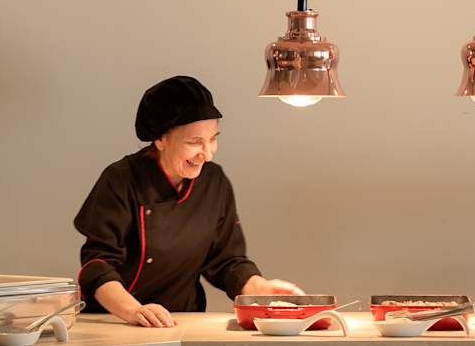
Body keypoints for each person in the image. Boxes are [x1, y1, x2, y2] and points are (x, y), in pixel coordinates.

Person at [74, 75, 304, 327]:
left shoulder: (213, 182)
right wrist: (133, 310)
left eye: (213, 139)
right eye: (195, 142)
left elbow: (226, 261)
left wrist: (259, 289)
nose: (207, 154)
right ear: (160, 139)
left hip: (183, 319)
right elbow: (97, 265)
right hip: (116, 320)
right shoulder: (121, 179)